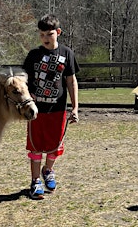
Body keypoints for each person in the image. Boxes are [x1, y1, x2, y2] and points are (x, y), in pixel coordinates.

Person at [22, 14, 80, 199]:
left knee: (55, 145)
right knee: (36, 145)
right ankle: (35, 181)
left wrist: (75, 107)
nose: (46, 38)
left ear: (58, 32)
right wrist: (27, 95)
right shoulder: (34, 55)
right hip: (37, 111)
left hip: (58, 110)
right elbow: (24, 80)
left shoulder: (67, 54)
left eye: (49, 34)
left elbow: (71, 81)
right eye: (42, 35)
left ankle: (48, 171)